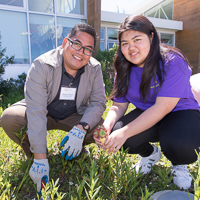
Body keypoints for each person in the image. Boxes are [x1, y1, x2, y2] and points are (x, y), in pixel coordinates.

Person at [94, 15, 200, 190]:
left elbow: (163, 107)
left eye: (137, 40)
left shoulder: (173, 61)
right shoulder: (123, 68)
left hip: (180, 112)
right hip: (149, 113)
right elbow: (118, 105)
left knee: (181, 144)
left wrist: (125, 133)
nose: (131, 47)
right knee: (116, 132)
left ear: (151, 37)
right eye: (125, 43)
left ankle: (180, 164)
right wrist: (107, 125)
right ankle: (150, 155)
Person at [0, 23, 106, 194]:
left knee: (102, 128)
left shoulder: (95, 68)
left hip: (74, 114)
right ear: (65, 42)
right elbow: (36, 112)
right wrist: (40, 158)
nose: (81, 52)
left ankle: (77, 147)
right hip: (45, 111)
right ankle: (35, 155)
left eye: (88, 49)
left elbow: (98, 103)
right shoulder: (41, 65)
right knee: (10, 118)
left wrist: (81, 129)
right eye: (77, 44)